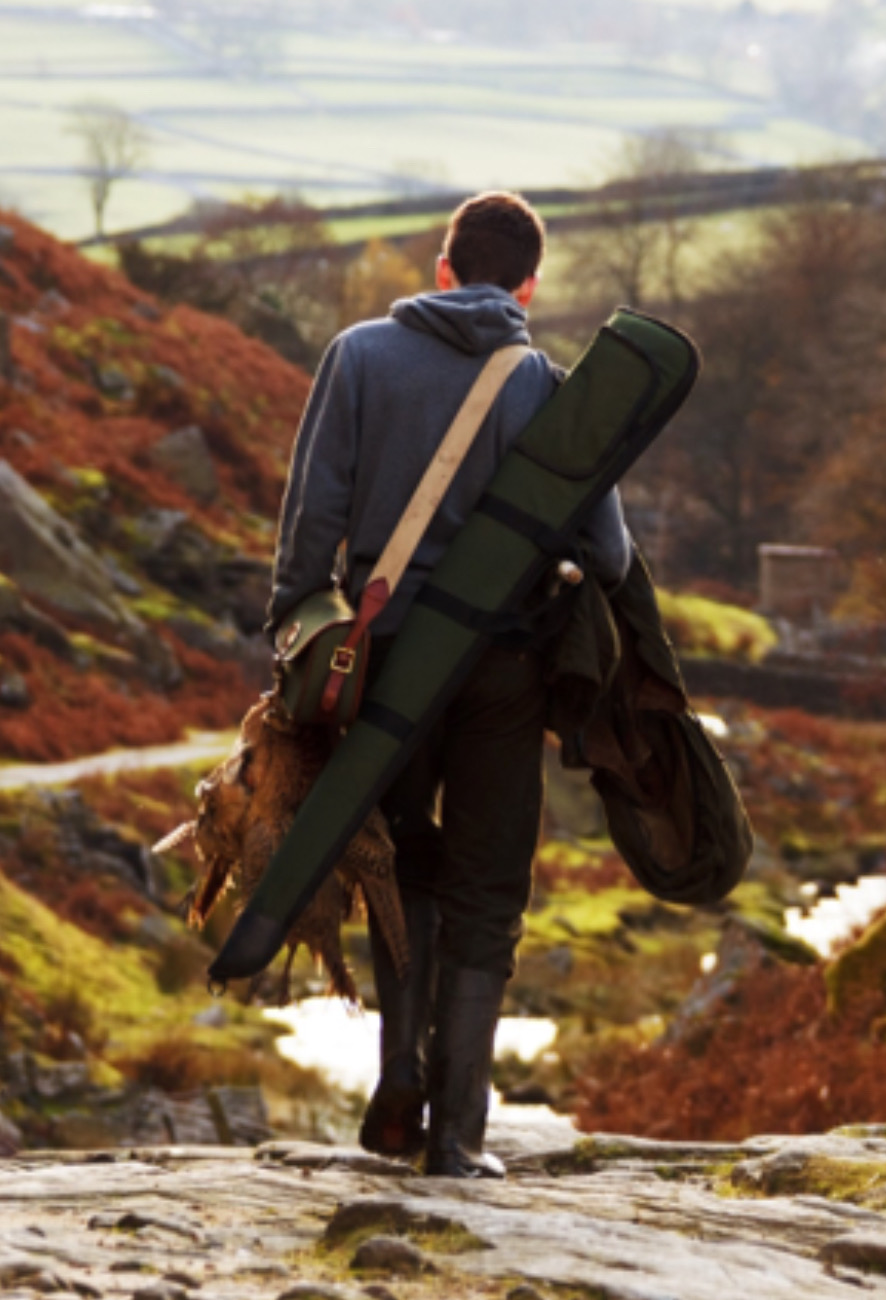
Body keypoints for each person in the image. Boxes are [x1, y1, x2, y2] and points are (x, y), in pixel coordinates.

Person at [266, 191, 631, 1177]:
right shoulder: (549, 387)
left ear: (440, 269)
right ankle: (458, 1138)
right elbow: (606, 548)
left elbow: (310, 526)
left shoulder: (355, 357)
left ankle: (397, 1087)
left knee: (396, 867)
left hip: (383, 661)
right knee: (485, 888)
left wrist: (300, 642)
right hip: (503, 669)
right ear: (528, 286)